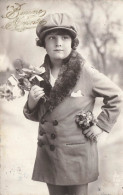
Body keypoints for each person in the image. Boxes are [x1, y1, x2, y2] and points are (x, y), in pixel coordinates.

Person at [23, 13, 123, 195]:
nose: (58, 43)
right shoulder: (38, 74)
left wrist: (101, 126)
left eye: (65, 37)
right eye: (52, 38)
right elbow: (43, 115)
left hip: (77, 154)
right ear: (43, 43)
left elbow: (116, 95)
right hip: (49, 154)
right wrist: (31, 103)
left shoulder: (85, 72)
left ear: (73, 42)